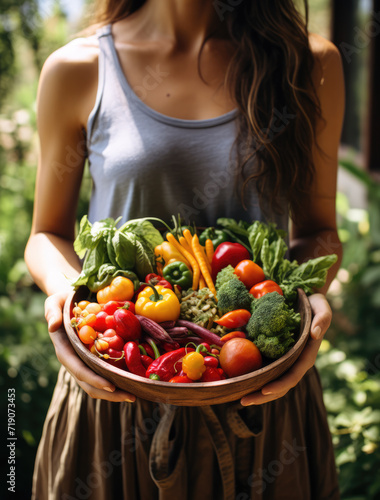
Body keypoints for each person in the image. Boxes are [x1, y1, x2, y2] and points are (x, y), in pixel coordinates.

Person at [25, 0, 344, 498]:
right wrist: (78, 309)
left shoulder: (307, 62)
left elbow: (319, 229)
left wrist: (310, 299)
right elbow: (46, 233)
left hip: (261, 395)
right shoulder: (80, 68)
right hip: (119, 390)